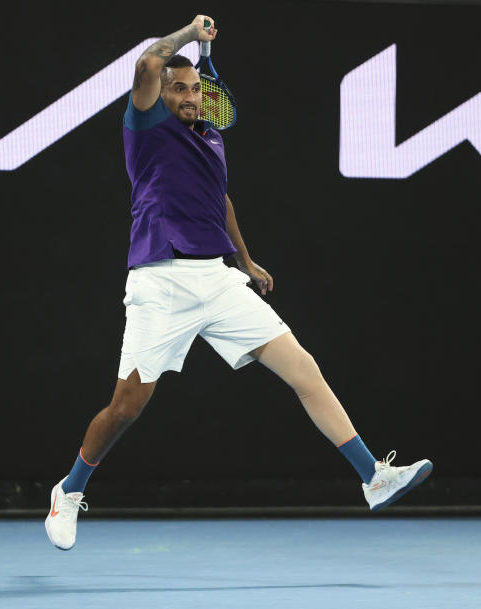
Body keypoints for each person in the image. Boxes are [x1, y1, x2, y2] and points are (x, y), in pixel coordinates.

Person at [45, 15, 432, 551]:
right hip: (159, 280)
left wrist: (245, 262)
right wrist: (189, 34)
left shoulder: (210, 140)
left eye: (195, 89)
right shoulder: (145, 129)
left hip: (217, 279)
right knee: (127, 408)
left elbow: (219, 201)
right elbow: (147, 62)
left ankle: (373, 476)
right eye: (177, 88)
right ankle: (69, 490)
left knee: (303, 369)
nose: (188, 95)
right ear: (161, 93)